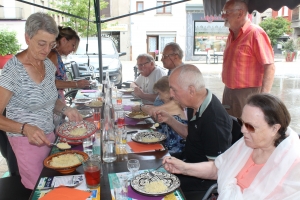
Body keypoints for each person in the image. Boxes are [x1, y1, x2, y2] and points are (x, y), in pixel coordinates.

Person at [0, 12, 82, 190]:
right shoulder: (13, 70)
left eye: (51, 44)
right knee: (41, 190)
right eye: (41, 43)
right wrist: (25, 128)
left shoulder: (48, 65)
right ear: (27, 38)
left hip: (49, 137)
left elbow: (50, 100)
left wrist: (65, 109)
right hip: (26, 142)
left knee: (57, 187)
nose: (46, 50)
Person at [163, 93, 300, 199]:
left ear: (275, 128)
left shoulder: (293, 167)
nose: (243, 130)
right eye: (242, 122)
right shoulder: (247, 143)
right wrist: (184, 168)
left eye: (250, 126)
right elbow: (218, 169)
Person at [156, 64, 232, 194]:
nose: (171, 95)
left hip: (200, 179)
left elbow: (217, 169)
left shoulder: (214, 121)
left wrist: (184, 168)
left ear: (191, 90)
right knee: (151, 164)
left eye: (174, 90)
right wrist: (169, 119)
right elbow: (191, 135)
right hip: (187, 161)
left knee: (154, 186)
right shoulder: (195, 103)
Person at [221, 0, 275, 118]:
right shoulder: (231, 35)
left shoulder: (255, 33)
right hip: (229, 91)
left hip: (248, 93)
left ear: (240, 13)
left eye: (226, 12)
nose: (223, 15)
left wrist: (263, 97)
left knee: (247, 129)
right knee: (229, 126)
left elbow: (269, 66)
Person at [132, 76, 187, 154]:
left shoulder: (175, 103)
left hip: (175, 150)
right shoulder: (175, 102)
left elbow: (153, 111)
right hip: (166, 145)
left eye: (160, 94)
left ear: (168, 92)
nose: (160, 97)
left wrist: (139, 107)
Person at [47, 26, 90, 127]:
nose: (73, 49)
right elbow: (49, 82)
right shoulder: (53, 56)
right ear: (63, 40)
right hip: (54, 103)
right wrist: (75, 84)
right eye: (73, 45)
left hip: (58, 102)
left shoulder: (56, 55)